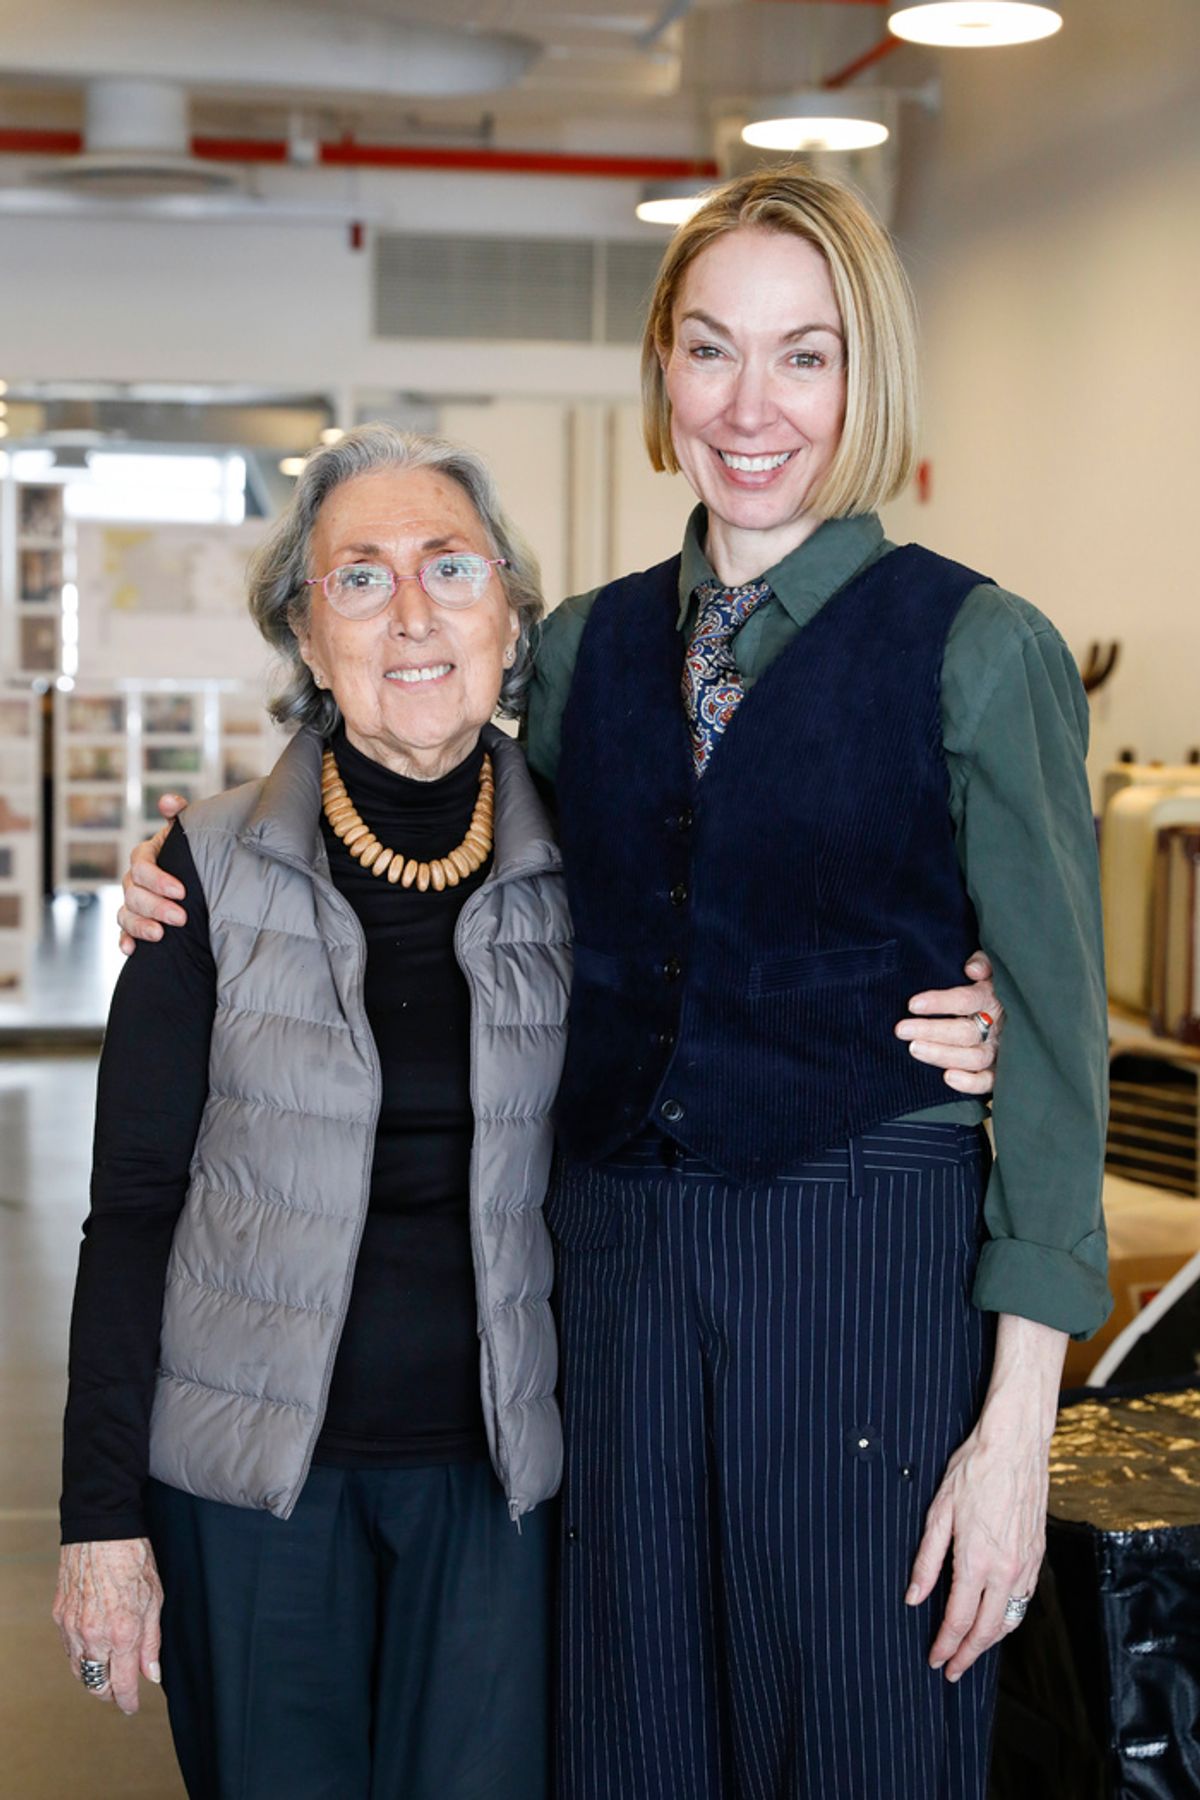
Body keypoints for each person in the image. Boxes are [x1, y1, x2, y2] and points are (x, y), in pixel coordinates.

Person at [521, 170, 1109, 1799]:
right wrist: (212, 873)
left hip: (862, 1272)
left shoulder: (980, 648)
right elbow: (473, 885)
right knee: (630, 1748)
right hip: (622, 1285)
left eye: (805, 354)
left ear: (868, 381)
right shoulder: (579, 653)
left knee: (859, 1739)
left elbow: (1059, 1057)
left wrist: (1010, 1438)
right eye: (710, 350)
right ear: (660, 371)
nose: (750, 406)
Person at [53, 428, 572, 1800]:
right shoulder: (205, 871)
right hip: (249, 1495)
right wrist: (100, 1523)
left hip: (498, 1485)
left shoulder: (598, 865)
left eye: (450, 568)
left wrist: (974, 996)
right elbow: (132, 1211)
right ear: (304, 627)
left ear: (509, 609)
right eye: (360, 578)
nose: (413, 614)